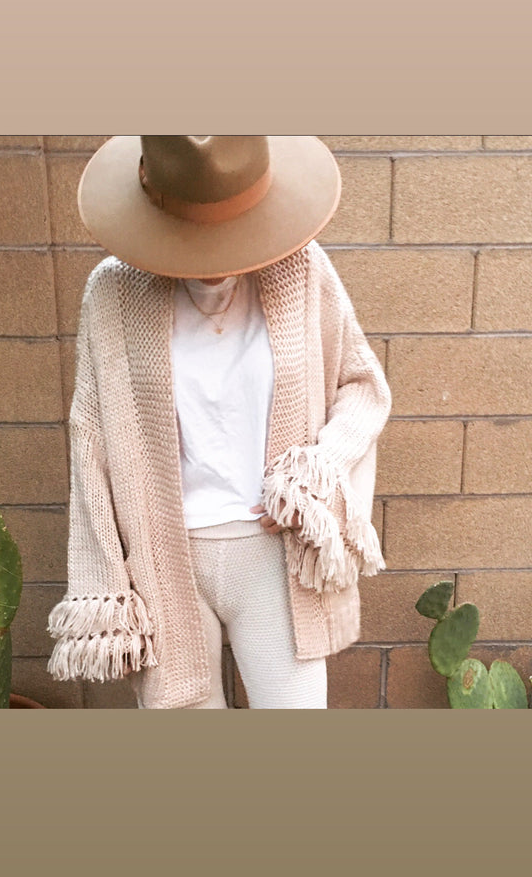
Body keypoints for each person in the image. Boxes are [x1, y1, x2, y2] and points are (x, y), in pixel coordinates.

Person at [47, 135, 392, 709]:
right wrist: (105, 574)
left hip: (273, 557)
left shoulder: (303, 269)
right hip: (162, 559)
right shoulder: (112, 291)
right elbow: (90, 440)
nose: (215, 259)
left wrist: (315, 471)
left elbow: (362, 387)